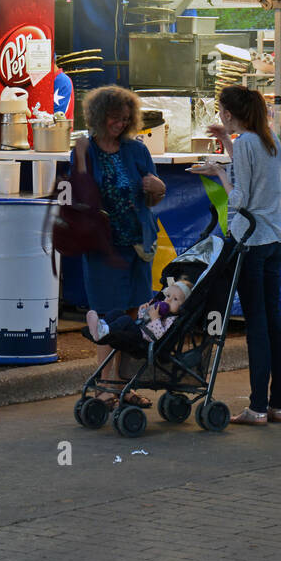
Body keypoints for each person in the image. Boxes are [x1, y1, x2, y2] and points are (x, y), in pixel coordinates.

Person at [75, 85, 167, 408]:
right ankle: (105, 385)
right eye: (114, 119)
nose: (120, 125)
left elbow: (156, 195)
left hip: (138, 245)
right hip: (104, 248)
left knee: (133, 316)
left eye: (126, 119)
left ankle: (124, 386)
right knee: (105, 317)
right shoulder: (84, 149)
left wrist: (159, 187)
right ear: (100, 117)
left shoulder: (137, 150)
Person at [204, 85, 281, 425]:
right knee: (272, 322)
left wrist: (218, 173)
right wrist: (227, 142)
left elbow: (239, 198)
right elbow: (256, 178)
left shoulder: (245, 145)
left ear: (228, 113)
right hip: (275, 237)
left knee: (256, 324)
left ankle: (256, 407)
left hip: (251, 240)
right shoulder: (270, 142)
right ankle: (278, 405)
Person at [85, 278, 193, 356]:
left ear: (182, 305)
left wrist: (155, 318)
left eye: (175, 299)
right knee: (116, 312)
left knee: (126, 320)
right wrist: (144, 310)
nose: (168, 300)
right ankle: (101, 324)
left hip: (143, 339)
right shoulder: (159, 309)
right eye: (168, 296)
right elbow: (142, 319)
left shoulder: (172, 319)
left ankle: (103, 331)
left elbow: (160, 335)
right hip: (139, 328)